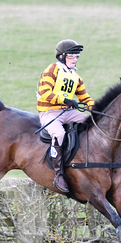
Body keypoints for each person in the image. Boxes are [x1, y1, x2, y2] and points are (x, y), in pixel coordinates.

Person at [37, 39, 94, 193]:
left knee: (91, 123)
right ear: (61, 57)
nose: (74, 59)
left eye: (76, 57)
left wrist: (95, 108)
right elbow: (45, 93)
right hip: (49, 112)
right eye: (71, 56)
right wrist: (66, 100)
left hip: (67, 112)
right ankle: (58, 173)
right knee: (59, 133)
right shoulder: (52, 70)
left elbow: (85, 97)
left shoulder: (75, 76)